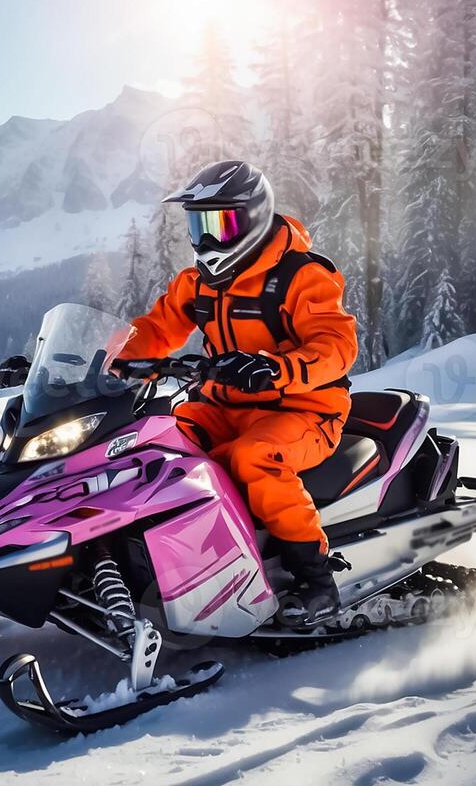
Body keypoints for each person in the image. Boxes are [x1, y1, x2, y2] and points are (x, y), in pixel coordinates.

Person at [113, 160, 358, 626]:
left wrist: (274, 369)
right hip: (224, 406)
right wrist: (92, 362)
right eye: (197, 224)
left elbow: (336, 345)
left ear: (255, 219)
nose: (207, 240)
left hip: (306, 411)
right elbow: (153, 330)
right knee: (154, 443)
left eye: (220, 223)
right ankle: (167, 564)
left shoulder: (300, 276)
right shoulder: (198, 283)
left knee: (252, 458)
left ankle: (316, 580)